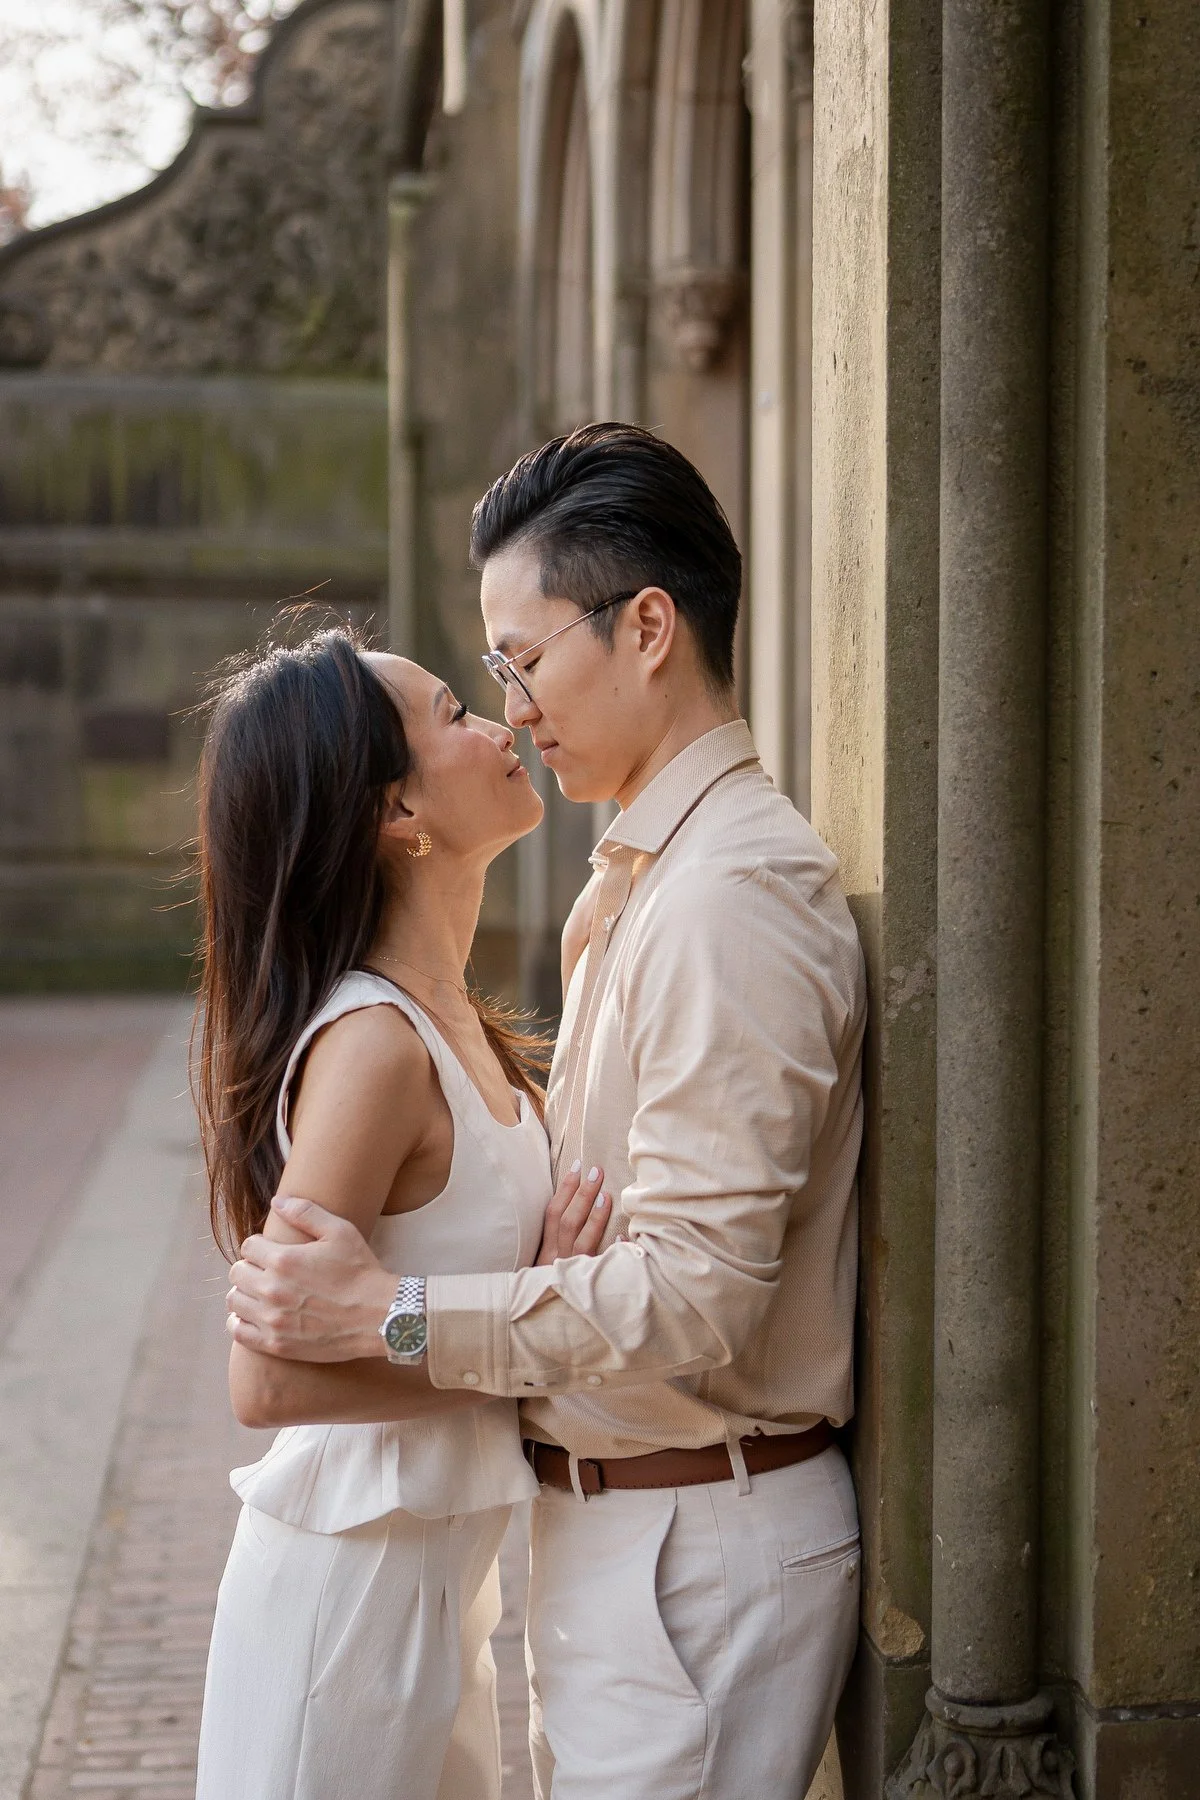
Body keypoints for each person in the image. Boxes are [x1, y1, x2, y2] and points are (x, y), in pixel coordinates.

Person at [227, 423, 868, 1800]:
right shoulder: (645, 880)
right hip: (628, 1540)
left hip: (699, 1536)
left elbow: (699, 1295)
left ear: (647, 628)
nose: (509, 706)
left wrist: (397, 1314)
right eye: (487, 682)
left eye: (518, 663)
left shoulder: (725, 900)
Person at [192, 628, 610, 1800]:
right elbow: (264, 1383)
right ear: (396, 811)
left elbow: (431, 1299)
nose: (503, 723)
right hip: (343, 1609)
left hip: (441, 1595)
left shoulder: (464, 1027)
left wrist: (516, 1315)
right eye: (454, 714)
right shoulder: (375, 1046)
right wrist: (521, 1350)